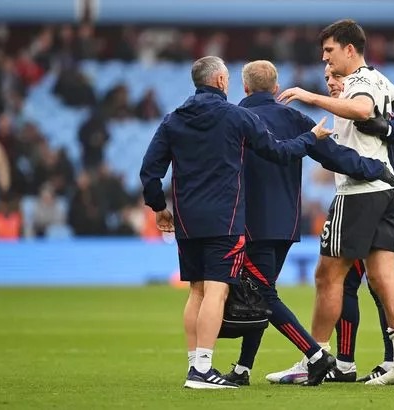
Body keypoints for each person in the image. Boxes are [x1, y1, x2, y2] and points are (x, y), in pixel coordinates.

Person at [140, 56, 333, 390]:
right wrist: (311, 137)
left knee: (196, 291)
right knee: (216, 290)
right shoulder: (237, 117)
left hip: (186, 220)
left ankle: (195, 365)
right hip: (224, 220)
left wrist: (159, 207)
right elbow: (278, 151)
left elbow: (149, 171)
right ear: (219, 82)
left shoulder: (173, 121)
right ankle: (202, 369)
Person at [219, 60, 394, 387]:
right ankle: (243, 370)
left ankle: (316, 356)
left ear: (244, 88)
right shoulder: (294, 118)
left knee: (260, 294)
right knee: (260, 295)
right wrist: (376, 168)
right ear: (276, 89)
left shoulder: (235, 118)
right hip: (286, 225)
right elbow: (334, 156)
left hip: (248, 224)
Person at [276, 19, 394, 386]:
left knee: (327, 276)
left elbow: (361, 110)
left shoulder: (359, 82)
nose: (325, 59)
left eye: (329, 51)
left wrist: (311, 96)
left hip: (359, 192)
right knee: (383, 276)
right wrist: (383, 113)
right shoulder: (376, 78)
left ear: (350, 50)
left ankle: (315, 358)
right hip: (389, 189)